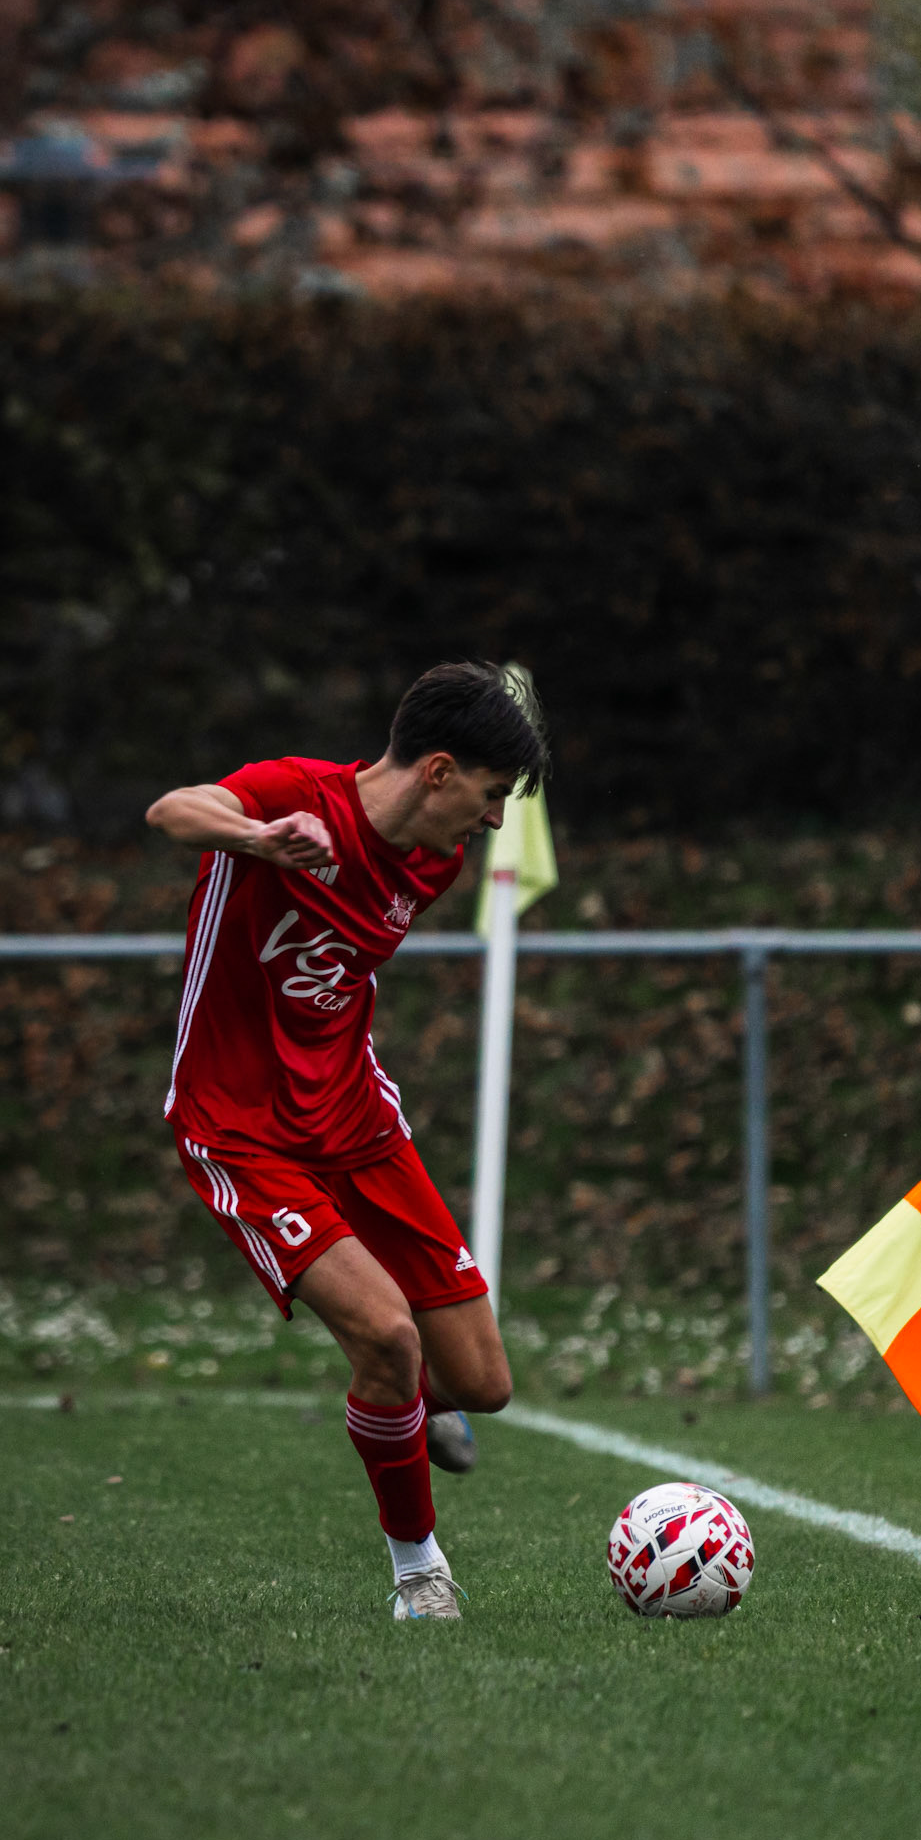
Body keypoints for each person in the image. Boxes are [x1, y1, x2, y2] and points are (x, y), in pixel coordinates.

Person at [146, 662, 550, 1619]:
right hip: (241, 1128)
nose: (496, 819)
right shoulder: (293, 795)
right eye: (492, 794)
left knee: (482, 1383)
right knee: (386, 1333)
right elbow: (173, 811)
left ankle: (400, 1405)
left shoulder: (433, 863)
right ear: (439, 771)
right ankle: (419, 1574)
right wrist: (257, 840)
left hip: (358, 1122)